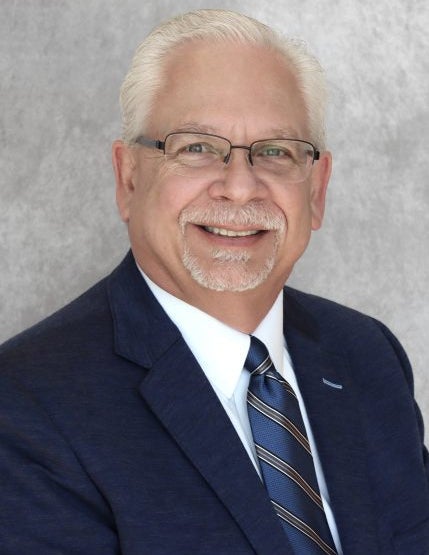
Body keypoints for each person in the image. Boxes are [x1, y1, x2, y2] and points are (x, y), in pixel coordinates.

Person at [0, 9, 428, 555]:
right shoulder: (27, 408)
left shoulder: (368, 356)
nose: (240, 187)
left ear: (317, 190)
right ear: (128, 178)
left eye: (275, 151)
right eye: (197, 148)